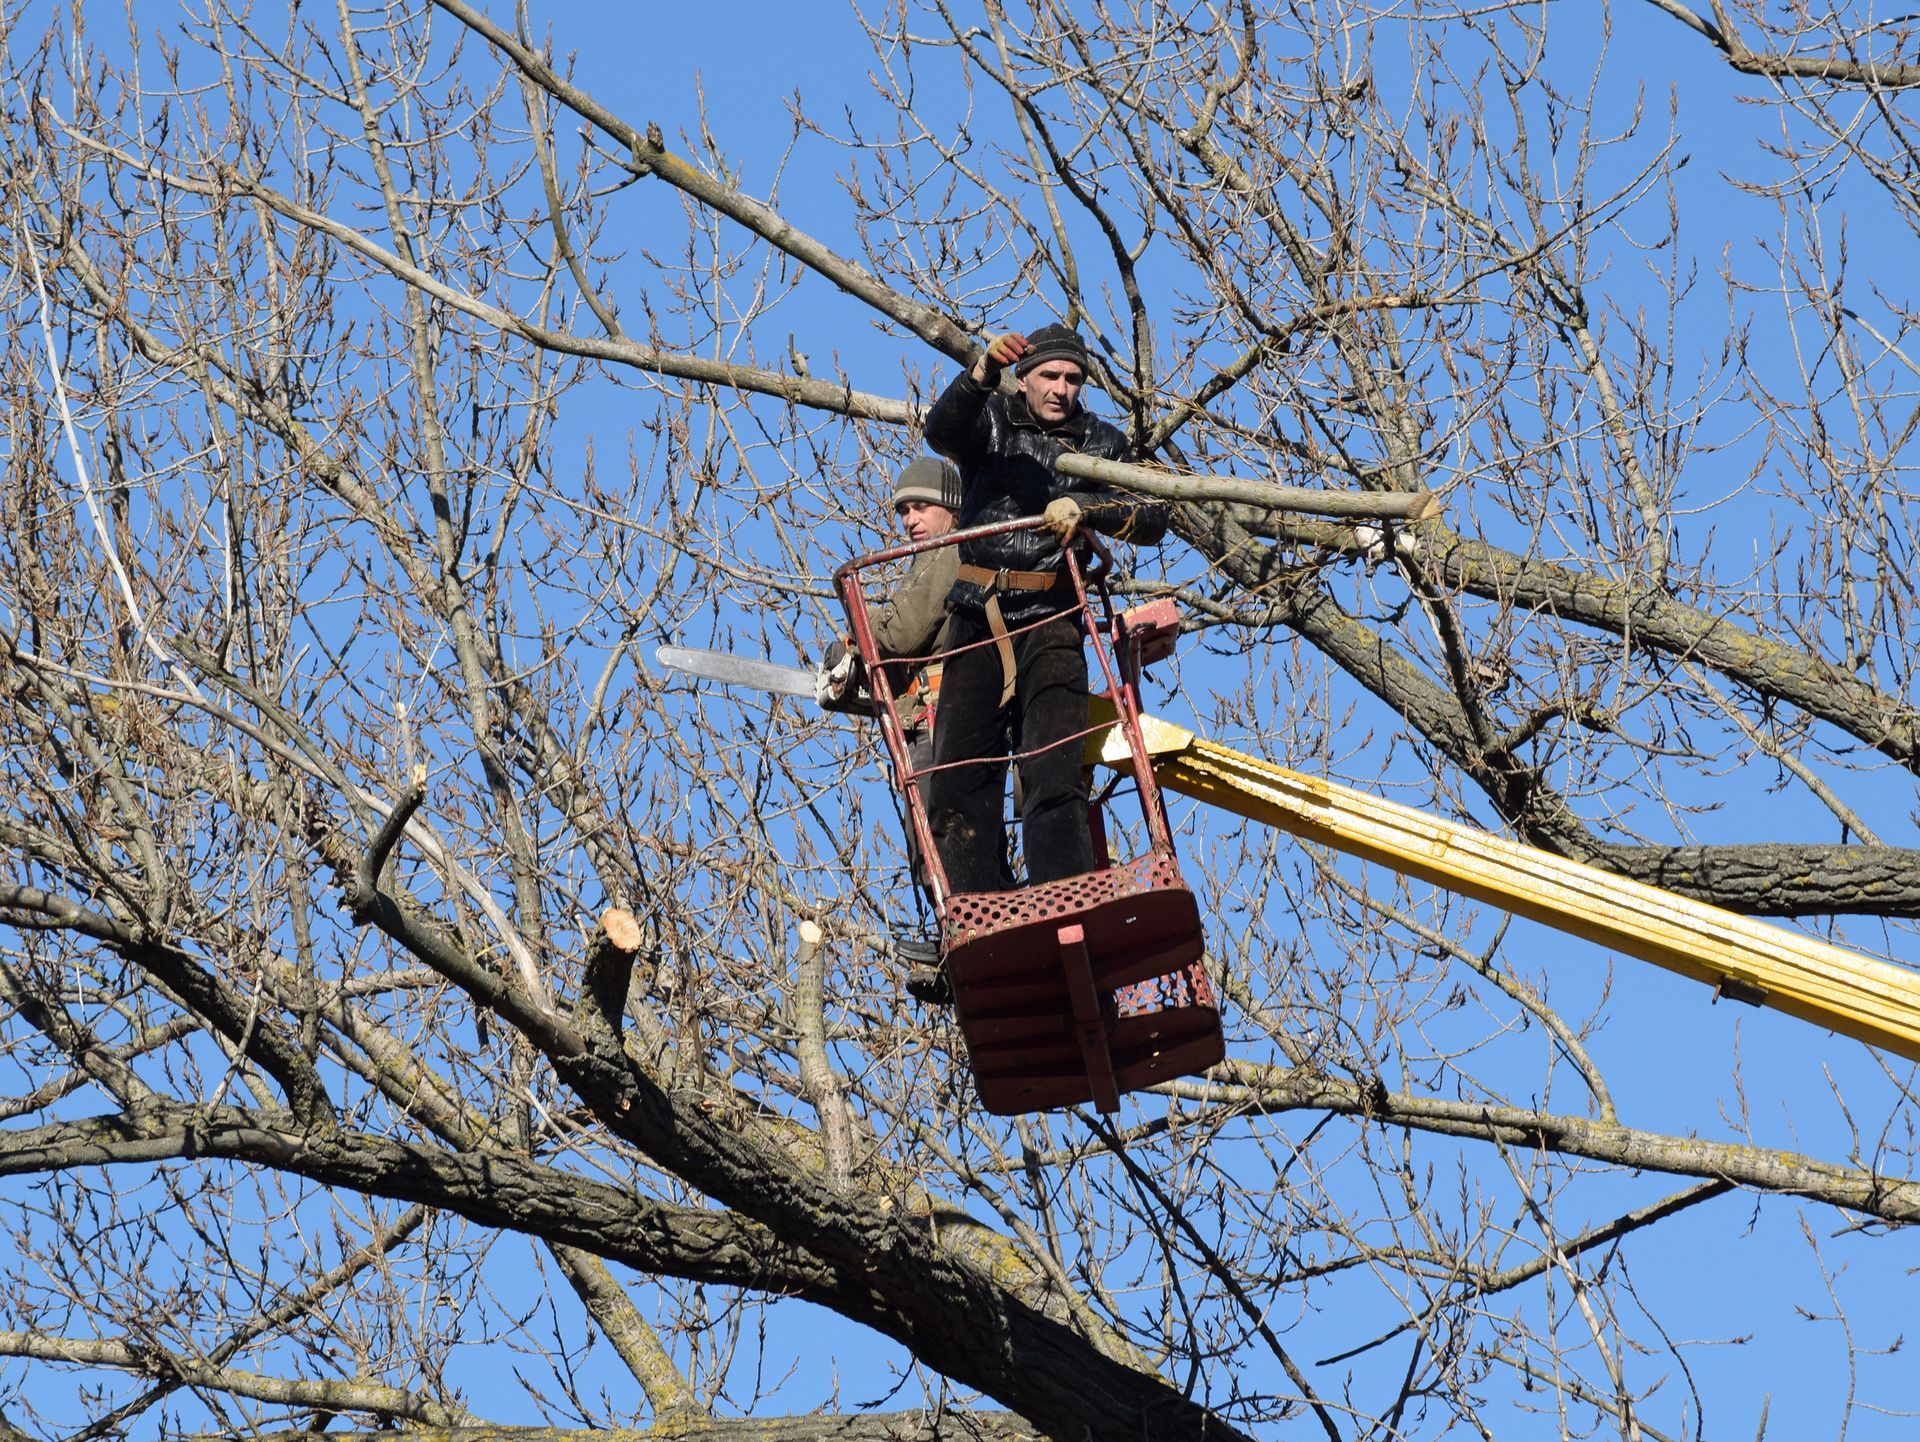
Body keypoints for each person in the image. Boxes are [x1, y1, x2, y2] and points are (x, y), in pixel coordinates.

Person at [921, 322, 1166, 896]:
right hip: (978, 613)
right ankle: (978, 908)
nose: (1061, 388)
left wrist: (1088, 506)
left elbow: (1153, 512)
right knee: (958, 775)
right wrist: (982, 372)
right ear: (1025, 379)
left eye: (1073, 379)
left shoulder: (1101, 443)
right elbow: (942, 428)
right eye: (1050, 376)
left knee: (1050, 769)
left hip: (1052, 616)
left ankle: (1067, 900)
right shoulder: (994, 422)